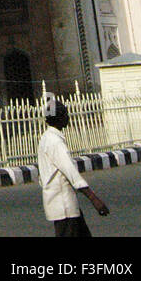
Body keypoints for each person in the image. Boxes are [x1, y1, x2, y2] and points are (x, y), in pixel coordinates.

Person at [37, 94, 108, 238]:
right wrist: (94, 199)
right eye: (65, 114)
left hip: (60, 202)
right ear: (59, 118)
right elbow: (71, 173)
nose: (68, 117)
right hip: (64, 205)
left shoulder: (46, 138)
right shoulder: (55, 143)